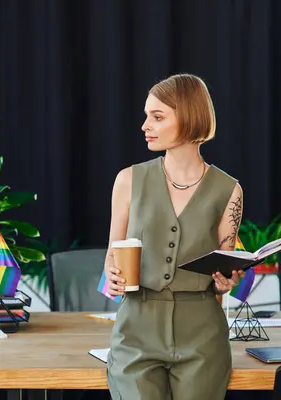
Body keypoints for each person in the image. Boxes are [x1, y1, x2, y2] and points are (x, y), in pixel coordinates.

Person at [104, 73, 245, 400]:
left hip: (202, 336)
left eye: (157, 117)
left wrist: (227, 280)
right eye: (146, 116)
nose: (145, 126)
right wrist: (111, 274)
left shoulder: (229, 190)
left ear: (190, 117)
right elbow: (112, 254)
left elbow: (225, 265)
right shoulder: (128, 180)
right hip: (135, 332)